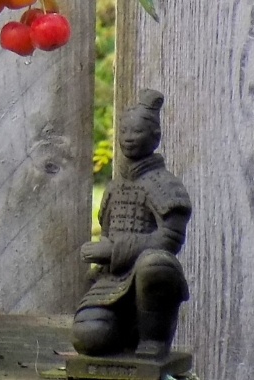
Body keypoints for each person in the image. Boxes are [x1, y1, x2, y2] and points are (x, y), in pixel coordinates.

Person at [73, 89, 191, 359]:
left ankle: (153, 338)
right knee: (88, 337)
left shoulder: (166, 185)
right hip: (113, 279)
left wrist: (113, 251)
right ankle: (125, 328)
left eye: (136, 132)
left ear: (155, 137)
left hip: (146, 275)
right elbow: (108, 230)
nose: (127, 137)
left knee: (156, 264)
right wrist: (101, 254)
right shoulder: (116, 187)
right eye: (123, 130)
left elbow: (169, 240)